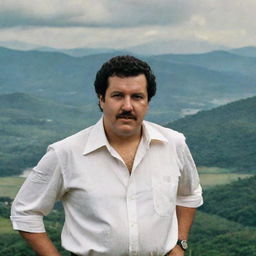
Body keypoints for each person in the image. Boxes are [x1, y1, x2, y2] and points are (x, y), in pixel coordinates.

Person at [11, 55, 203, 256]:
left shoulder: (174, 144)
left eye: (137, 97)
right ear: (101, 99)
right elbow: (25, 212)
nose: (127, 106)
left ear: (148, 102)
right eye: (118, 95)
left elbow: (189, 194)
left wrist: (180, 244)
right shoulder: (66, 153)